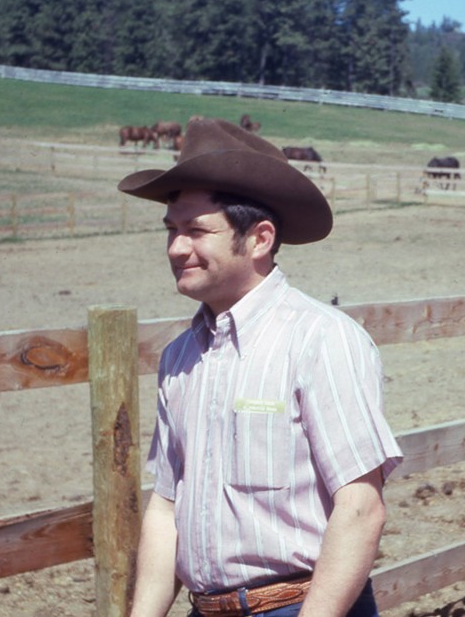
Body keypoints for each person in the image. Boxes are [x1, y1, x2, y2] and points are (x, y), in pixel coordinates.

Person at [118, 117, 403, 617]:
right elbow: (166, 509)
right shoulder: (179, 358)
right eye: (171, 231)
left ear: (260, 239)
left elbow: (360, 508)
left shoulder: (321, 340)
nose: (176, 248)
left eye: (195, 231)